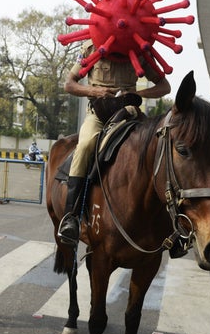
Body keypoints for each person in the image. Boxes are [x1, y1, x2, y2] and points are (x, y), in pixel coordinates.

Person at [57, 40, 171, 246]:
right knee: (84, 147)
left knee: (156, 148)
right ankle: (71, 217)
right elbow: (69, 84)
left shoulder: (140, 49)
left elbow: (165, 86)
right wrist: (94, 91)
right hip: (98, 115)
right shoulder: (89, 48)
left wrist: (139, 94)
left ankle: (173, 224)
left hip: (130, 114)